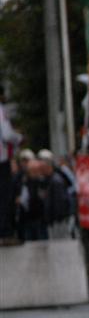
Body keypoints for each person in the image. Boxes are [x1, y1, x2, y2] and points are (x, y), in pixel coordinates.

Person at [0, 84, 23, 245]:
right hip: (1, 160)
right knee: (5, 196)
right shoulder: (0, 110)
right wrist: (19, 138)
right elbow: (7, 135)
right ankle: (5, 233)